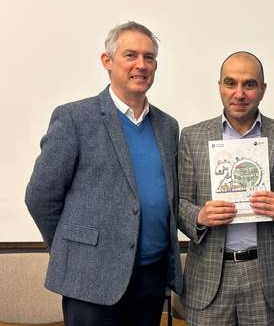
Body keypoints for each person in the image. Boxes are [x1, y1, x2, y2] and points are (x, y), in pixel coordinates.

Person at [25, 21, 182, 326]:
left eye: (149, 58)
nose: (141, 65)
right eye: (130, 55)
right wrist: (75, 252)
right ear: (107, 61)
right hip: (91, 282)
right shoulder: (75, 118)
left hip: (151, 280)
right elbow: (40, 197)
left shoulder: (167, 126)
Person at [178, 51, 274, 326]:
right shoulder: (192, 137)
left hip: (266, 278)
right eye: (231, 83)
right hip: (209, 278)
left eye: (249, 84)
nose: (239, 93)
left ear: (262, 90)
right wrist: (199, 217)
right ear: (219, 87)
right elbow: (178, 202)